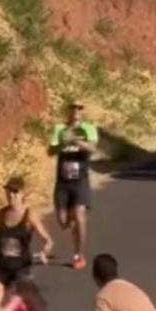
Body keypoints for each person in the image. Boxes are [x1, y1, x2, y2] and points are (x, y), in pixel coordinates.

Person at [0, 177, 52, 310]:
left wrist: (44, 252)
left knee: (16, 308)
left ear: (22, 193)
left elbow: (47, 240)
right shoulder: (0, 214)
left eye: (14, 191)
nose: (11, 195)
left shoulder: (30, 214)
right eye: (8, 191)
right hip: (1, 268)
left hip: (21, 269)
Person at [48, 100, 98, 270]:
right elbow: (50, 151)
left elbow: (92, 149)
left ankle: (79, 254)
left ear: (82, 111)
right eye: (73, 107)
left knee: (79, 216)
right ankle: (70, 223)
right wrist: (63, 143)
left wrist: (76, 141)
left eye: (79, 107)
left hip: (80, 181)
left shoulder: (88, 128)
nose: (76, 110)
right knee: (63, 222)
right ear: (68, 111)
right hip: (63, 182)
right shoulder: (59, 129)